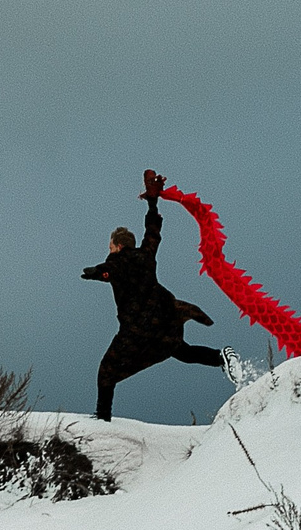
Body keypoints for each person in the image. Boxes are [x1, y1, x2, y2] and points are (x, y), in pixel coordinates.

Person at [82, 169, 225, 421]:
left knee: (107, 370)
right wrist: (152, 202)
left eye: (111, 246)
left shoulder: (119, 261)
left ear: (118, 246)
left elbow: (111, 270)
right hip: (164, 321)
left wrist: (97, 272)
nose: (110, 250)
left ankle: (102, 419)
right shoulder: (145, 255)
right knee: (183, 352)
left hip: (138, 328)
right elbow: (152, 232)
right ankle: (223, 357)